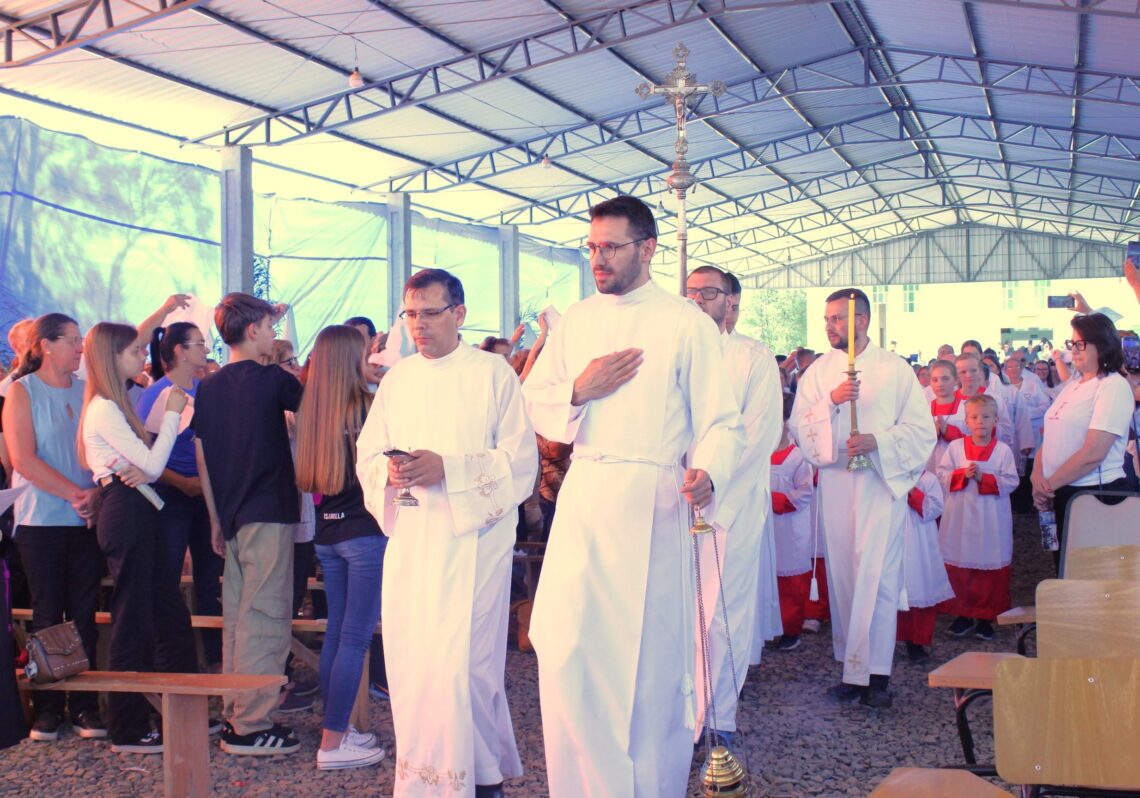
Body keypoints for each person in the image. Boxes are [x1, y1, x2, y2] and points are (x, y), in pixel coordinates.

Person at [523, 196, 742, 797]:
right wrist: (577, 388)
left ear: (647, 249)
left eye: (611, 247)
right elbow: (534, 399)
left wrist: (708, 470)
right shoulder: (576, 320)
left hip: (652, 500)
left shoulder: (685, 322)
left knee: (646, 664)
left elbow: (722, 421)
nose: (598, 259)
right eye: (592, 247)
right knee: (565, 648)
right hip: (588, 494)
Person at [356, 269, 536, 798]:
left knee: (465, 668)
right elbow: (368, 453)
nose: (418, 325)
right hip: (413, 541)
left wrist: (450, 470)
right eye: (410, 314)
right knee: (417, 666)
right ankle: (426, 781)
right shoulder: (398, 379)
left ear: (459, 313)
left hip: (472, 545)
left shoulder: (493, 374)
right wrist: (389, 472)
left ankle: (477, 779)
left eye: (430, 313)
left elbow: (520, 462)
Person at [789, 288, 934, 709]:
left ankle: (878, 677)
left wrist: (878, 441)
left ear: (861, 321)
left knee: (879, 575)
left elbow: (922, 430)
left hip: (878, 484)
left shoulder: (894, 369)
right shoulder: (818, 372)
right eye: (827, 318)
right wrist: (831, 405)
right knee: (846, 575)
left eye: (837, 318)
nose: (829, 326)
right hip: (837, 482)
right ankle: (852, 671)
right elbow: (798, 426)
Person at [192, 293, 303, 755]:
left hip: (233, 515)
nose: (275, 333)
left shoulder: (210, 386)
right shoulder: (273, 379)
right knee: (266, 616)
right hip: (269, 510)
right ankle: (252, 726)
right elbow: (318, 409)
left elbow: (202, 455)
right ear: (253, 329)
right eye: (270, 325)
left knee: (238, 618)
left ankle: (235, 711)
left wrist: (217, 519)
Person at [79, 322, 188, 753]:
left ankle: (178, 708)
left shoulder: (116, 403)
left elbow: (148, 464)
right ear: (112, 357)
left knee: (167, 612)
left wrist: (152, 449)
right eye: (134, 351)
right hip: (126, 511)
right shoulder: (104, 407)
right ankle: (127, 725)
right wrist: (175, 414)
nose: (142, 356)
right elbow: (153, 465)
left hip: (138, 508)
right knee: (133, 616)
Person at [684, 266, 781, 748]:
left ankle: (719, 715)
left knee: (723, 610)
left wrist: (713, 479)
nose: (698, 298)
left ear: (730, 302)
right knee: (679, 610)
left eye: (709, 292)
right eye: (691, 291)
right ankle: (680, 709)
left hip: (731, 503)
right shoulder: (673, 351)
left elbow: (760, 431)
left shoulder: (753, 358)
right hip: (675, 500)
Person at [4, 313, 104, 742]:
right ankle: (48, 706)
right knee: (48, 611)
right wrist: (74, 494)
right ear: (46, 345)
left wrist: (95, 494)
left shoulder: (87, 392)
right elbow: (23, 458)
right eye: (73, 341)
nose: (81, 348)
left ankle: (83, 704)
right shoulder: (21, 391)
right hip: (41, 518)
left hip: (84, 517)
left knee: (84, 612)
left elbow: (101, 450)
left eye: (82, 341)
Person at [294, 326, 386, 771]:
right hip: (365, 533)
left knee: (337, 633)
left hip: (327, 534)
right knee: (354, 638)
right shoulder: (369, 407)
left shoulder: (311, 409)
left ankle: (338, 730)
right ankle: (332, 744)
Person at [135, 322, 223, 673]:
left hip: (204, 492)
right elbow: (141, 452)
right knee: (168, 575)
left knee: (210, 577)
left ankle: (215, 657)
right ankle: (170, 661)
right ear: (179, 351)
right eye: (199, 343)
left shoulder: (207, 389)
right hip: (169, 491)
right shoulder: (155, 393)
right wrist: (181, 481)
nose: (205, 349)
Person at [1033, 313, 1135, 572]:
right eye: (1072, 344)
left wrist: (1048, 486)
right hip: (1061, 490)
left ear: (1101, 345)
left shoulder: (1112, 386)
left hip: (1092, 494)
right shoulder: (1074, 385)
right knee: (1065, 571)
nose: (1074, 351)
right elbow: (1051, 434)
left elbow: (1094, 452)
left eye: (1080, 344)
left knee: (1089, 577)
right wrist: (1037, 477)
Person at [936, 394, 1018, 640]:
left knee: (987, 565)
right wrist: (961, 474)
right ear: (966, 421)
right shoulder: (955, 447)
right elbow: (941, 474)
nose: (980, 421)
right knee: (961, 563)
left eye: (985, 417)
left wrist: (986, 479)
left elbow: (1012, 481)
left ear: (995, 420)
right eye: (974, 417)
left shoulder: (1002, 451)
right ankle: (962, 615)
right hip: (960, 516)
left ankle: (985, 619)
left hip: (991, 519)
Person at [770, 395, 814, 653]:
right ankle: (770, 627)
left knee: (791, 581)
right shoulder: (759, 454)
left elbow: (805, 493)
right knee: (769, 577)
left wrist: (772, 501)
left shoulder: (798, 457)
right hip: (766, 527)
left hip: (790, 526)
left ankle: (791, 629)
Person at [895, 469, 951, 662]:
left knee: (918, 588)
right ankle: (888, 639)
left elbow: (934, 509)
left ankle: (916, 643)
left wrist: (911, 491)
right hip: (892, 537)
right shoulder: (888, 475)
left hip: (919, 540)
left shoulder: (928, 478)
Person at [928, 359, 966, 471]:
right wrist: (930, 433)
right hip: (929, 467)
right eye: (935, 380)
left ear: (955, 380)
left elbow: (976, 441)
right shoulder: (923, 410)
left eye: (945, 379)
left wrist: (948, 431)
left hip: (958, 467)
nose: (940, 384)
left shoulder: (966, 409)